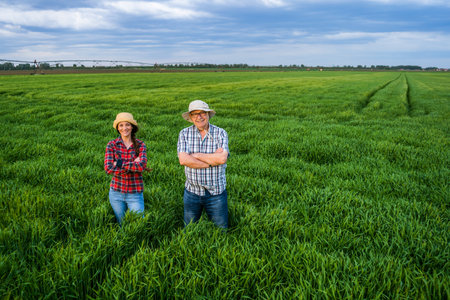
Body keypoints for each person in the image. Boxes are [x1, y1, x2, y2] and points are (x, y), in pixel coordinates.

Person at [177, 100, 230, 229]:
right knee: (189, 230)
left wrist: (196, 155)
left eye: (202, 113)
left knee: (220, 230)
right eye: (195, 114)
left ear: (208, 114)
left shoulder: (220, 133)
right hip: (192, 192)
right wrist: (212, 162)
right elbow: (183, 160)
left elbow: (222, 159)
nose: (199, 117)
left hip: (216, 193)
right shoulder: (184, 133)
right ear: (190, 117)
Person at [104, 112, 148, 225]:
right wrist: (133, 164)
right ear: (118, 128)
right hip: (116, 192)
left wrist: (118, 163)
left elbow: (141, 166)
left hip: (135, 193)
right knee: (121, 223)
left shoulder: (140, 145)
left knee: (139, 223)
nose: (124, 128)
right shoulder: (112, 145)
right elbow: (108, 169)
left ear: (132, 127)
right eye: (121, 125)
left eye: (127, 125)